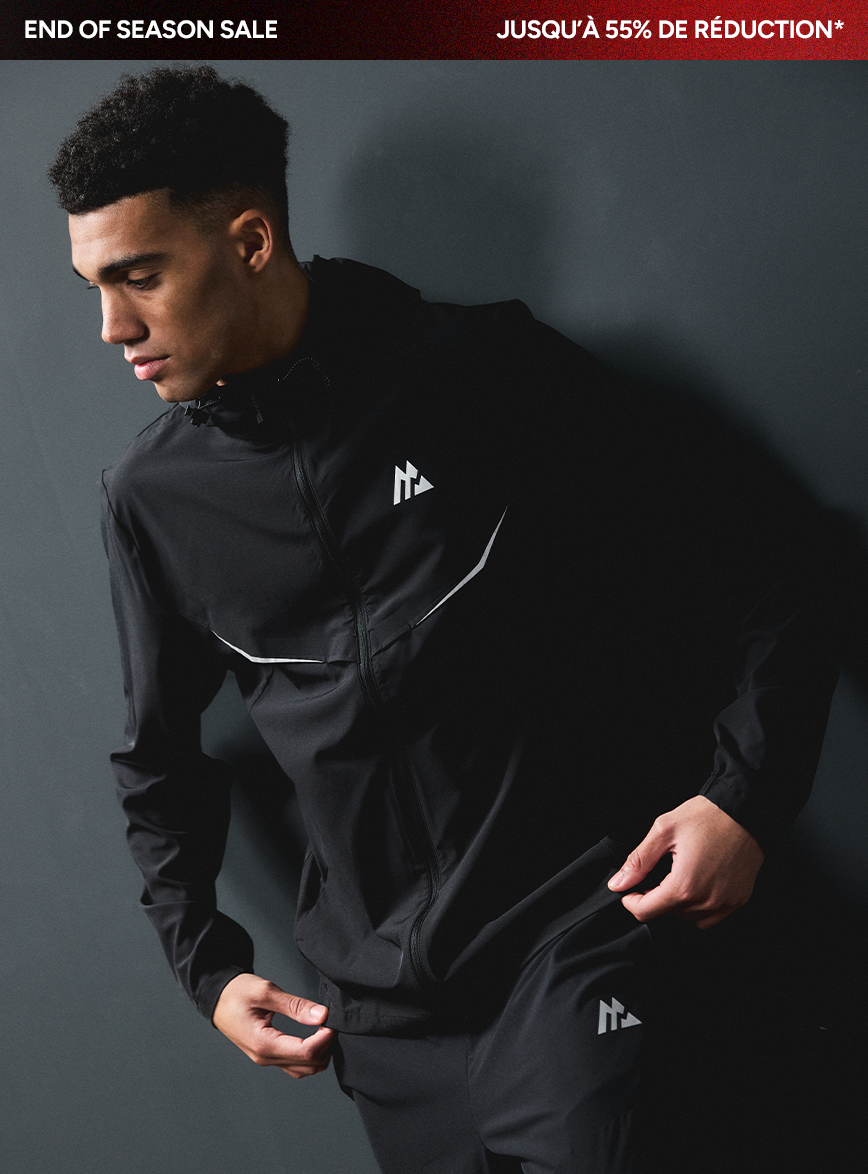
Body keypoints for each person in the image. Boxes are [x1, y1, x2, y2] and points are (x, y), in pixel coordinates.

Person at [49, 65, 838, 1173]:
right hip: (383, 1024)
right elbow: (160, 763)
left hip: (574, 936)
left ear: (251, 241)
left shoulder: (480, 371)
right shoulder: (151, 499)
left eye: (140, 275)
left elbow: (764, 551)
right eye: (93, 284)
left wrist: (743, 797)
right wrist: (209, 970)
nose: (110, 325)